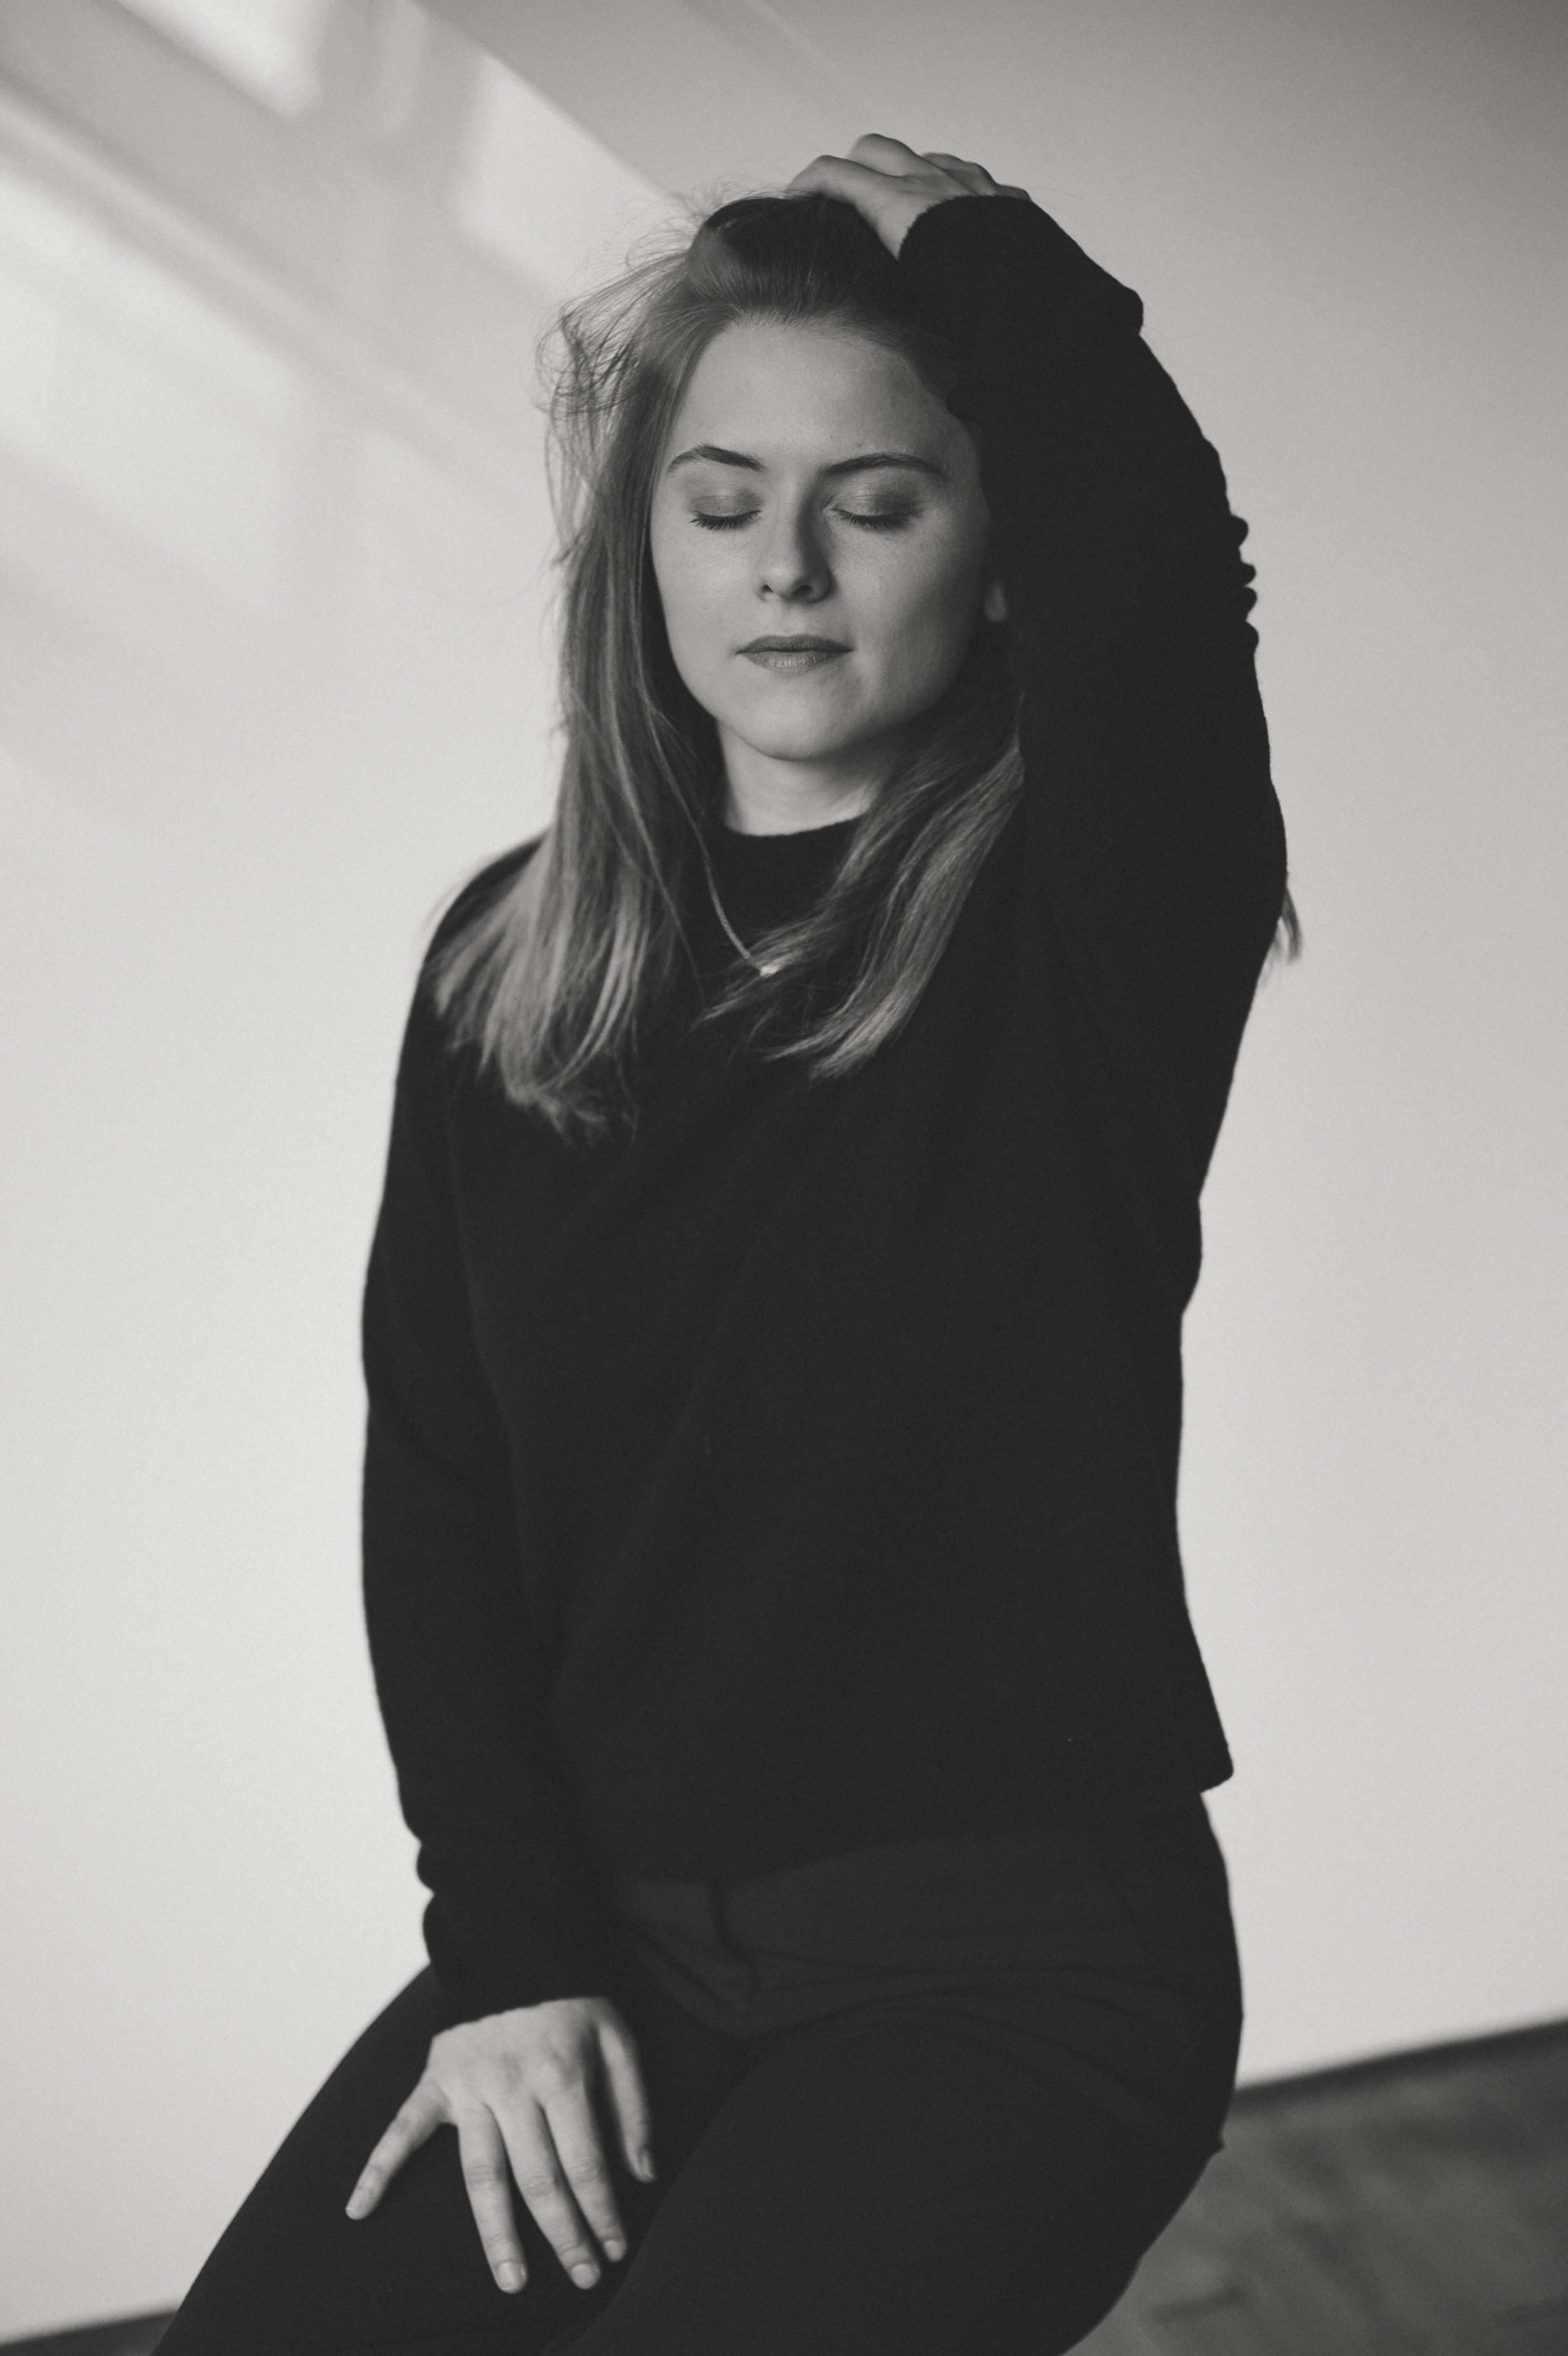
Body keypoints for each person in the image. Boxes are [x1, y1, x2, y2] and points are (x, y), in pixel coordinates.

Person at [157, 133, 1292, 2356]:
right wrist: (506, 1965)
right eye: (721, 497)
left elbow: (1165, 568)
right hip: (603, 1941)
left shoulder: (1088, 920)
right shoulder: (515, 960)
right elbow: (444, 1479)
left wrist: (967, 238)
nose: (787, 563)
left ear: (992, 550)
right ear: (642, 553)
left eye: (877, 500)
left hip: (1015, 1970)